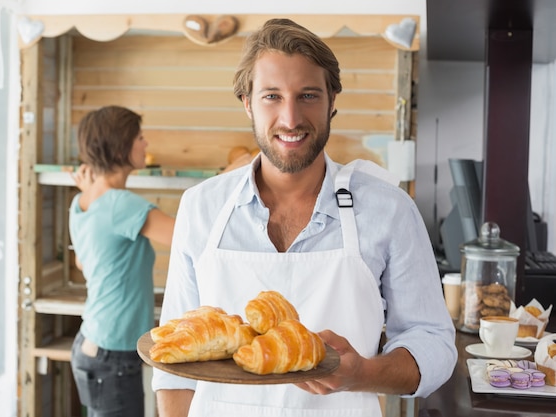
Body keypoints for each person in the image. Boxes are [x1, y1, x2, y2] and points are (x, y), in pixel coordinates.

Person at [151, 18, 457, 417]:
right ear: (247, 102)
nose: (291, 118)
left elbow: (433, 342)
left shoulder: (389, 210)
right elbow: (174, 367)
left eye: (308, 95)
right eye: (272, 96)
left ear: (333, 100)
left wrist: (362, 373)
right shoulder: (201, 207)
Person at [68, 105, 175, 417]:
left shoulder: (83, 200)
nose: (146, 144)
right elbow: (188, 236)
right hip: (112, 354)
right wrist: (229, 179)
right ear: (121, 145)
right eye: (139, 137)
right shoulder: (121, 204)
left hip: (93, 344)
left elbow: (83, 264)